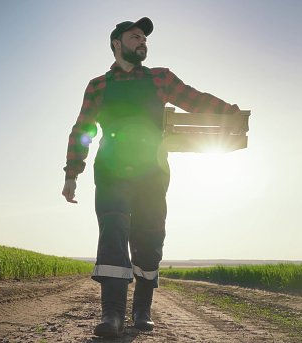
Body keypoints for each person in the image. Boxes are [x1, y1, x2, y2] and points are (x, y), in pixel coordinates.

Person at [61, 17, 241, 338]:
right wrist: (72, 173)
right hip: (112, 171)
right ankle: (112, 314)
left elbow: (193, 98)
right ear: (117, 43)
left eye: (144, 38)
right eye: (135, 36)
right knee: (114, 231)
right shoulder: (98, 85)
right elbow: (82, 130)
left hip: (152, 172)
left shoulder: (161, 78)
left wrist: (229, 111)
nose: (142, 41)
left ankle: (142, 308)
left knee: (149, 236)